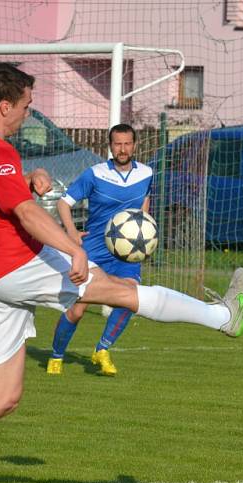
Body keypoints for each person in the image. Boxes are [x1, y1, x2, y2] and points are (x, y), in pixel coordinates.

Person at [0, 63, 243, 483]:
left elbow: (0, 201)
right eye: (26, 105)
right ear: (4, 106)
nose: (27, 113)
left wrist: (32, 179)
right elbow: (21, 212)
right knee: (122, 288)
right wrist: (72, 246)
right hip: (17, 265)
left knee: (3, 396)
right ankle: (223, 316)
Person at [46, 124, 152, 376]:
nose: (123, 149)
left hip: (127, 251)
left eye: (127, 143)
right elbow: (63, 203)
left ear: (135, 145)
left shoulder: (147, 173)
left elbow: (144, 205)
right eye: (117, 144)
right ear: (110, 146)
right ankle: (56, 356)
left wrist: (145, 237)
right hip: (95, 248)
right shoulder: (95, 174)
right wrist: (71, 232)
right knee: (78, 308)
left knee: (130, 298)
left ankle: (102, 350)